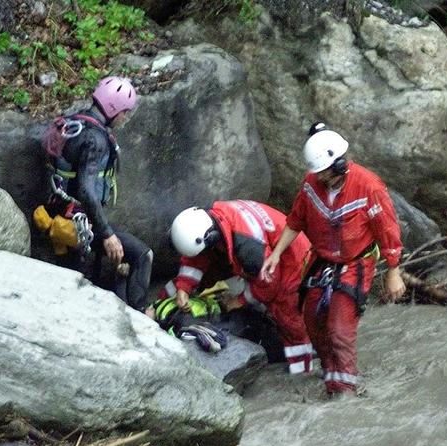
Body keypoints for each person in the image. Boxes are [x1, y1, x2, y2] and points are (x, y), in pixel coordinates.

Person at [261, 122, 405, 397]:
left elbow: (387, 230)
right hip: (323, 260)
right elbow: (296, 221)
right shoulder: (311, 184)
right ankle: (333, 376)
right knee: (313, 320)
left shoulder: (368, 187)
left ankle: (345, 390)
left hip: (356, 263)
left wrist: (393, 271)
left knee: (339, 327)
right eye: (319, 174)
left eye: (327, 173)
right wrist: (276, 254)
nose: (323, 179)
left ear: (340, 164)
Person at [162, 200, 314, 374]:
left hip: (293, 260)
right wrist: (184, 287)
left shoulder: (247, 247)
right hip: (267, 250)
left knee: (289, 317)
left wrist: (238, 301)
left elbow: (269, 284)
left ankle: (302, 369)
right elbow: (195, 258)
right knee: (209, 272)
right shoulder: (208, 222)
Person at [43, 76, 152, 312]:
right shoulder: (96, 139)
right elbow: (85, 189)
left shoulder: (71, 123)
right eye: (125, 112)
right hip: (82, 227)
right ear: (113, 109)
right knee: (142, 255)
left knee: (85, 281)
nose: (125, 118)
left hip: (59, 219)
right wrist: (107, 234)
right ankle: (142, 321)